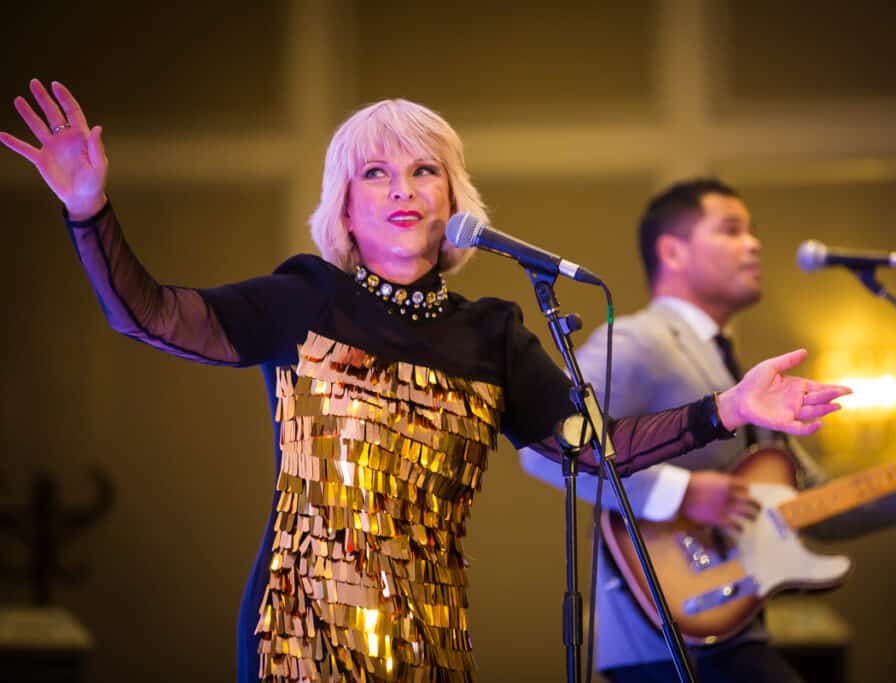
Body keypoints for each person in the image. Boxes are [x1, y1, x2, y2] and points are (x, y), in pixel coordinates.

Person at [0, 84, 851, 682]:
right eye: (375, 173)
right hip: (301, 630)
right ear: (345, 205)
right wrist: (88, 210)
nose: (401, 189)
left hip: (432, 632)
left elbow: (592, 449)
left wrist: (729, 407)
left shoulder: (494, 333)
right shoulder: (305, 297)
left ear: (453, 198)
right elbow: (150, 315)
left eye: (423, 171)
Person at [520, 178, 896, 683]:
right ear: (673, 251)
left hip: (732, 627)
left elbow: (816, 501)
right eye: (731, 230)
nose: (754, 244)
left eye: (753, 231)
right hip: (659, 635)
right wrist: (683, 493)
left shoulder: (737, 367)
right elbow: (547, 449)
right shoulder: (639, 340)